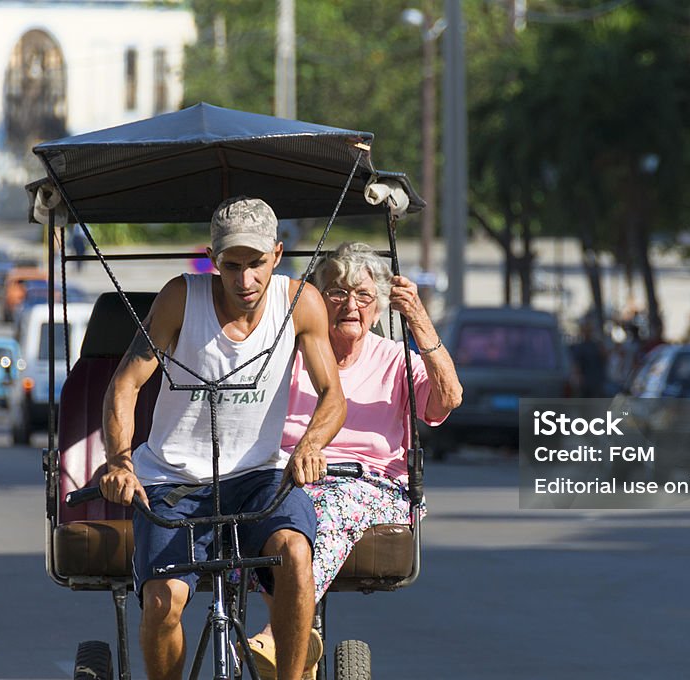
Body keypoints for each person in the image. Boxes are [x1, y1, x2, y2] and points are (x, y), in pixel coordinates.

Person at [98, 196, 347, 680]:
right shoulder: (180, 298)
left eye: (256, 264)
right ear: (213, 261)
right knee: (162, 601)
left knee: (296, 554)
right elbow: (125, 385)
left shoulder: (301, 302)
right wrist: (119, 462)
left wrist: (311, 444)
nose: (245, 280)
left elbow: (332, 396)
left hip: (259, 477)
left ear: (276, 255)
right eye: (232, 266)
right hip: (174, 482)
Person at [243, 242, 463, 678]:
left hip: (370, 486)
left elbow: (448, 398)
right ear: (318, 300)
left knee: (313, 512)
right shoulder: (290, 354)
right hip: (291, 478)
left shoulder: (394, 358)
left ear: (379, 307)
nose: (350, 305)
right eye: (337, 293)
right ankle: (300, 644)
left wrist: (419, 320)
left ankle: (280, 634)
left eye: (363, 296)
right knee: (262, 507)